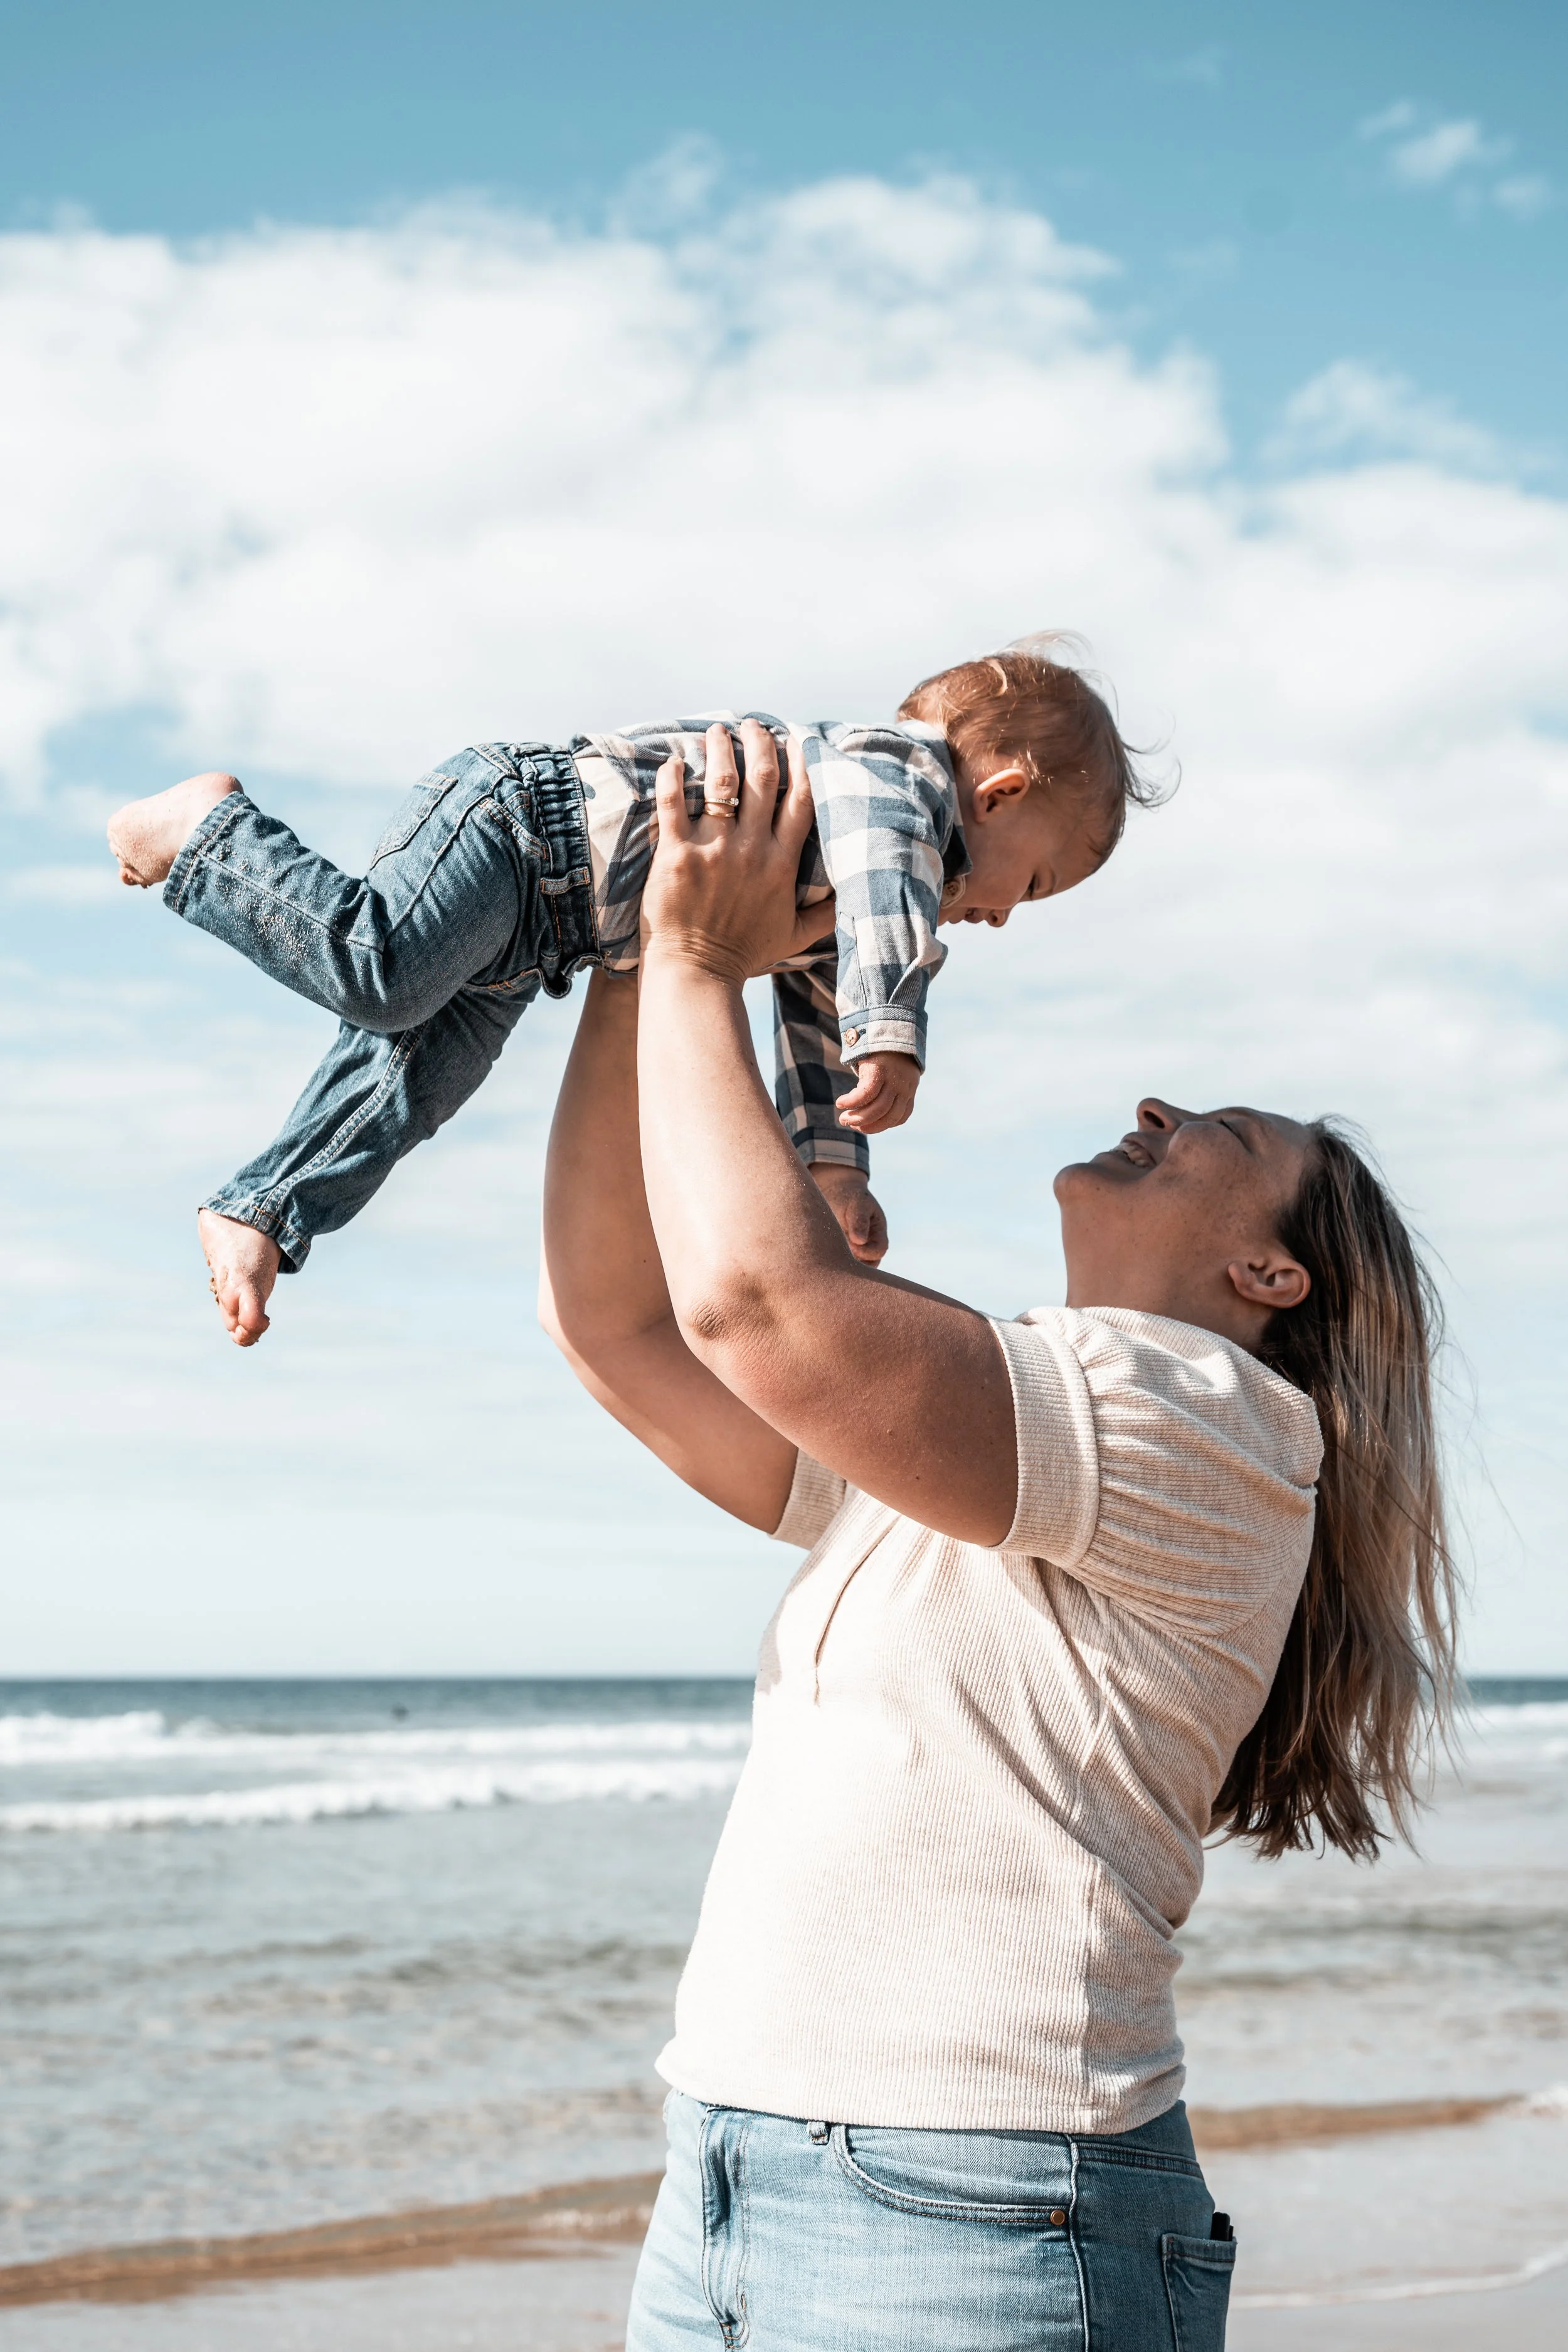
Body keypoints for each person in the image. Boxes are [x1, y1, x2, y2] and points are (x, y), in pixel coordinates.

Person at [539, 721, 1456, 2351]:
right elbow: (628, 1325)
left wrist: (698, 962)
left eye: (1220, 1135)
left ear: (1269, 1277)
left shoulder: (1211, 1422)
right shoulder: (1015, 1432)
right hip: (737, 2160)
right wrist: (636, 950)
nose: (1156, 1102)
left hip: (975, 2200)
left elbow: (755, 1306)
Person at [104, 643, 1155, 1345]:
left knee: (410, 1090)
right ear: (1001, 790)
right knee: (382, 969)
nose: (1010, 914)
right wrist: (897, 1027)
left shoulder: (855, 887)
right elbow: (891, 892)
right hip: (522, 826)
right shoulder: (896, 779)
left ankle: (263, 1207)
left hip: (545, 935)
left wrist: (834, 1170)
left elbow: (813, 1019)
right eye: (1039, 880)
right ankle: (209, 833)